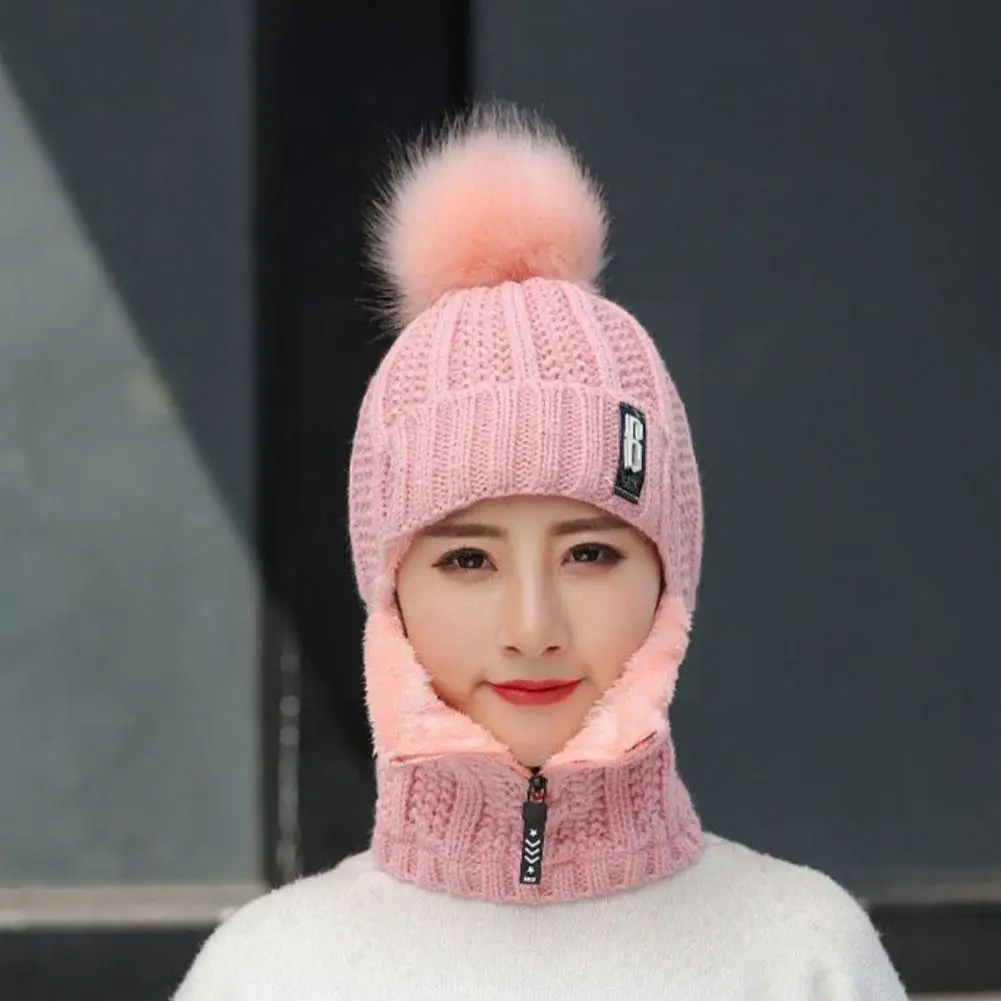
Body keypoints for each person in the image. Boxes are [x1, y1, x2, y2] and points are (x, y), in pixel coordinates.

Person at [174, 103, 908, 1000]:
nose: (532, 627)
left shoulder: (804, 957)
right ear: (388, 592)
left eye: (589, 553)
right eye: (467, 560)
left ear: (670, 577)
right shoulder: (268, 972)